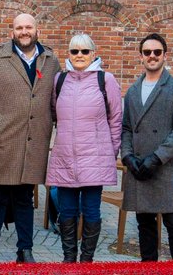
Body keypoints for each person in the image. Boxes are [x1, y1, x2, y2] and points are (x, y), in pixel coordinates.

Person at [0, 13, 60, 264]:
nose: (24, 31)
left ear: (36, 30)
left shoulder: (50, 61)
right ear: (12, 32)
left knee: (24, 197)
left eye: (28, 27)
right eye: (19, 28)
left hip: (34, 142)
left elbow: (57, 99)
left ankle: (25, 250)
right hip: (3, 141)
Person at [46, 33, 123, 263]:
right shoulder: (59, 80)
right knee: (67, 211)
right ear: (68, 54)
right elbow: (53, 113)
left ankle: (87, 259)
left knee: (91, 211)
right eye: (74, 51)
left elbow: (116, 118)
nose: (79, 56)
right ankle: (69, 258)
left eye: (84, 51)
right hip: (66, 158)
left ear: (93, 53)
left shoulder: (105, 79)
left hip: (95, 159)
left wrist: (112, 152)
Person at [120, 32, 173, 262]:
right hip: (139, 166)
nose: (152, 56)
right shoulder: (133, 91)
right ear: (141, 57)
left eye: (157, 52)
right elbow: (127, 128)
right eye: (147, 52)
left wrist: (157, 157)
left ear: (165, 55)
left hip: (164, 166)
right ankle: (149, 270)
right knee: (144, 222)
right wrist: (127, 156)